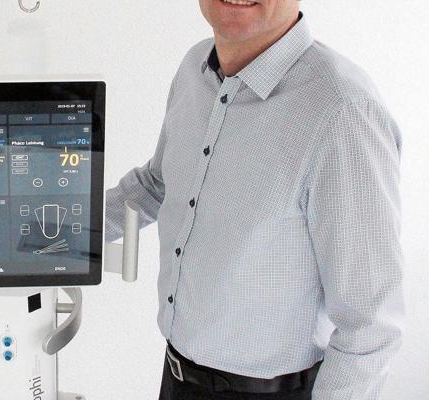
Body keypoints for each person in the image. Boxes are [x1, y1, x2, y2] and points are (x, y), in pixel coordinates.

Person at [105, 1, 404, 399]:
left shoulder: (344, 111)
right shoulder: (194, 68)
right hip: (176, 379)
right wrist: (41, 233)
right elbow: (157, 183)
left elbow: (371, 326)